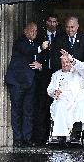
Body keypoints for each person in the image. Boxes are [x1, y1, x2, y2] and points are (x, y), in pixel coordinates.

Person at [5, 22, 48, 148]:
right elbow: (28, 51)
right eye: (31, 30)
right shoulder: (20, 42)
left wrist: (40, 66)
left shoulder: (34, 44)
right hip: (17, 82)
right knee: (17, 111)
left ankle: (27, 138)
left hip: (30, 82)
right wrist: (41, 47)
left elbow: (40, 61)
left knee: (28, 111)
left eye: (35, 31)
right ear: (25, 31)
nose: (34, 33)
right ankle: (18, 138)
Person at [47, 49, 84, 141]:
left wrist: (73, 60)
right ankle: (61, 135)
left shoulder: (79, 71)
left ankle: (76, 132)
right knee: (60, 106)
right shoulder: (56, 74)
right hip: (63, 98)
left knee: (80, 105)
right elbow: (50, 89)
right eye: (63, 62)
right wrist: (55, 92)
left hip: (79, 96)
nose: (65, 64)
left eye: (67, 62)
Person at [33, 14, 63, 145]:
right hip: (43, 76)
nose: (52, 24)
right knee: (41, 106)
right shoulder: (40, 36)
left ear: (58, 23)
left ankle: (57, 136)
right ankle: (41, 137)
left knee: (58, 104)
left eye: (54, 21)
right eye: (50, 21)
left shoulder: (61, 37)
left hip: (57, 74)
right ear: (46, 22)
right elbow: (33, 52)